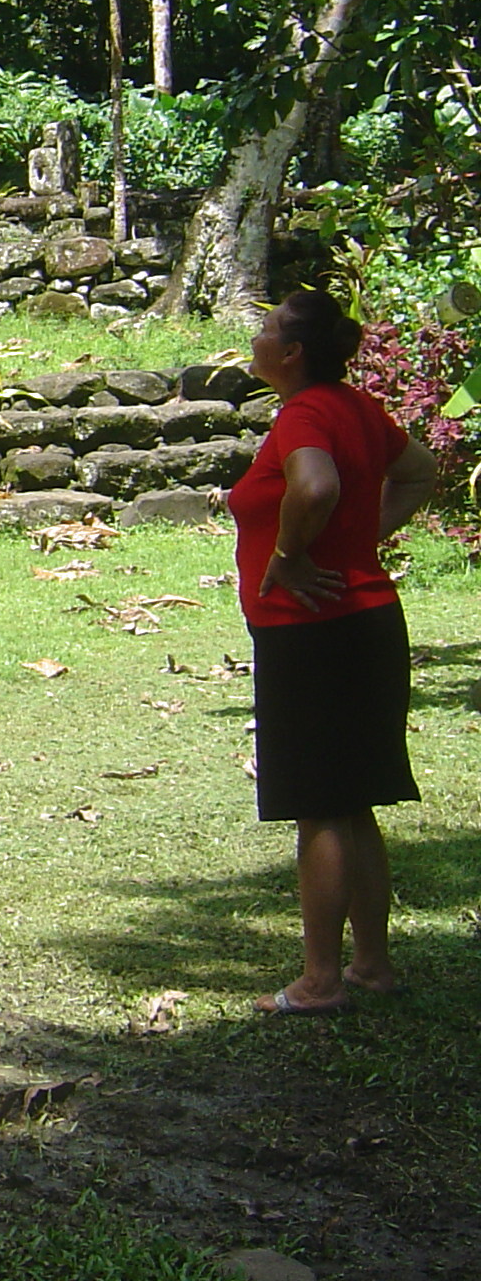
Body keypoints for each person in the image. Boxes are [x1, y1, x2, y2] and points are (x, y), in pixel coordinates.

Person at [227, 288, 438, 1015]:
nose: (254, 337)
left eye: (265, 329)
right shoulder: (354, 405)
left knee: (318, 807)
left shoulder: (306, 413)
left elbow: (313, 486)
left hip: (311, 628)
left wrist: (288, 552)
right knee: (353, 803)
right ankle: (371, 965)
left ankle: (319, 981)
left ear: (291, 354)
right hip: (370, 620)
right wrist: (361, 541)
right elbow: (420, 472)